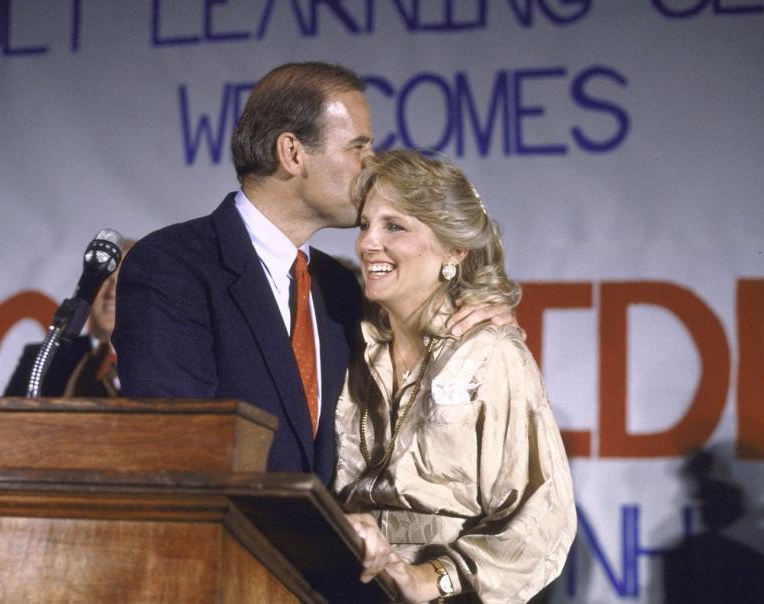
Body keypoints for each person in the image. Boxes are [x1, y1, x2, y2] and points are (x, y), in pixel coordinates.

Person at [114, 62, 508, 484]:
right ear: (292, 153)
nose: (371, 165)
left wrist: (471, 315)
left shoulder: (338, 287)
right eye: (358, 148)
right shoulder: (175, 265)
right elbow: (177, 447)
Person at [333, 150, 576, 603]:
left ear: (454, 248)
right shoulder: (345, 335)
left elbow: (543, 517)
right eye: (365, 224)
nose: (367, 243)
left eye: (395, 226)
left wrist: (432, 578)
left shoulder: (490, 353)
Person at [4, 238, 134, 397]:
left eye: (123, 281)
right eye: (105, 280)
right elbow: (7, 420)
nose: (111, 292)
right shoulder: (42, 359)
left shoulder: (165, 359)